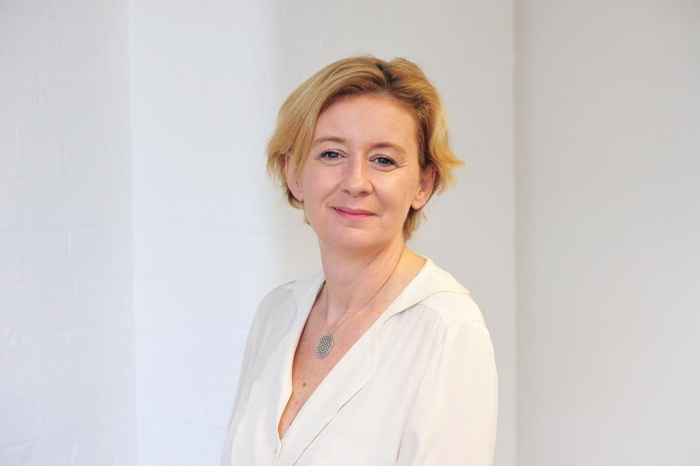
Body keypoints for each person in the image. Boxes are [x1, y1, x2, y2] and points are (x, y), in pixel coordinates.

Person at [221, 55, 498, 466]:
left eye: (383, 160)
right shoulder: (276, 313)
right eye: (332, 154)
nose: (355, 182)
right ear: (294, 173)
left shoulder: (446, 328)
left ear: (423, 185)